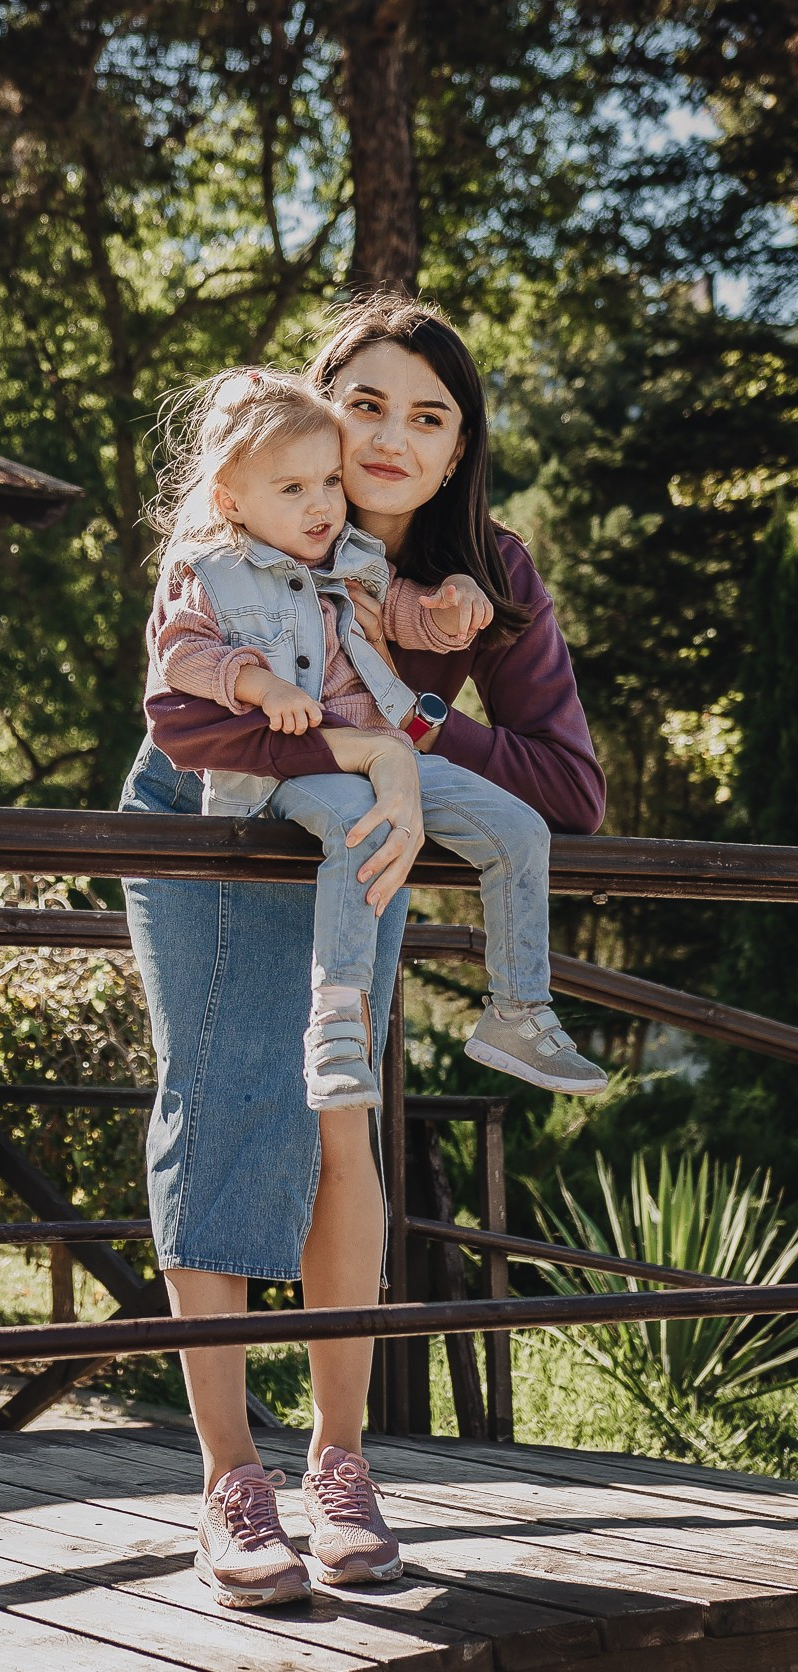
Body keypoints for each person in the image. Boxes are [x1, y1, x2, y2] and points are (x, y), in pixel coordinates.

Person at [120, 293, 605, 1611]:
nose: (390, 440)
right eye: (366, 405)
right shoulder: (228, 546)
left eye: (429, 416)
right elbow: (198, 711)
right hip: (219, 801)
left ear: (460, 450)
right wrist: (364, 745)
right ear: (312, 409)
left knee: (345, 1122)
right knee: (217, 1106)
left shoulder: (479, 574)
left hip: (359, 821)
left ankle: (341, 1462)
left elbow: (571, 788)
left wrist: (416, 733)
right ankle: (230, 1480)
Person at [146, 365, 606, 1111]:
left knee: (518, 829)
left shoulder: (350, 558)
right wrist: (262, 686)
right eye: (292, 490)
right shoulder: (214, 575)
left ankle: (517, 1009)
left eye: (329, 481)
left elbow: (400, 613)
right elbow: (183, 656)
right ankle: (335, 1029)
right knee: (364, 834)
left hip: (387, 754)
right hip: (308, 763)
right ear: (232, 501)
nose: (322, 503)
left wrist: (453, 611)